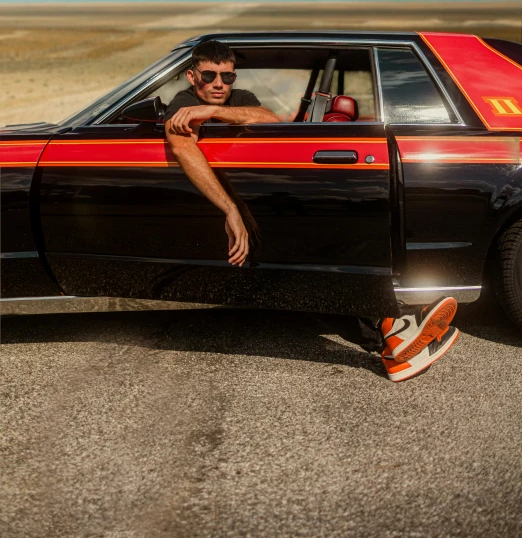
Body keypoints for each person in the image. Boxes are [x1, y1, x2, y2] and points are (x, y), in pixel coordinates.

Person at [164, 39, 459, 382]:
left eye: (227, 78)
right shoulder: (181, 104)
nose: (219, 85)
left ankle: (394, 328)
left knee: (309, 260)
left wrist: (211, 112)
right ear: (191, 76)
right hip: (211, 212)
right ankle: (392, 334)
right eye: (210, 76)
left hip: (260, 205)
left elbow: (268, 120)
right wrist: (230, 211)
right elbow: (183, 148)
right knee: (295, 267)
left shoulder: (235, 100)